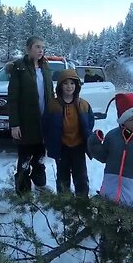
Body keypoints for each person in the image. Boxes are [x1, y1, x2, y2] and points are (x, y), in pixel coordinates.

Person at [88, 92, 133, 210]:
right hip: (109, 191)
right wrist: (94, 143)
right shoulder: (112, 136)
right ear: (122, 120)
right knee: (106, 221)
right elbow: (103, 157)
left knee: (128, 226)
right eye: (130, 119)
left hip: (132, 196)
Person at [7, 36, 54, 196]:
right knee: (25, 160)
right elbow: (12, 99)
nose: (41, 50)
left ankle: (40, 185)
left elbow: (51, 94)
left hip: (43, 123)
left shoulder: (46, 68)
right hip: (26, 124)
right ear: (28, 49)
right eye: (37, 47)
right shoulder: (19, 68)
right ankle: (22, 192)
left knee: (40, 158)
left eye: (42, 47)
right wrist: (14, 124)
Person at [42, 69, 94, 197]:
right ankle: (64, 203)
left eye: (72, 83)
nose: (69, 86)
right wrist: (50, 144)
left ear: (77, 86)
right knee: (62, 177)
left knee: (81, 176)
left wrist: (87, 140)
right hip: (61, 147)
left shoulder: (83, 104)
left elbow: (90, 123)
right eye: (65, 83)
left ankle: (82, 201)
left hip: (78, 146)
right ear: (60, 86)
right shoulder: (53, 105)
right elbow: (45, 126)